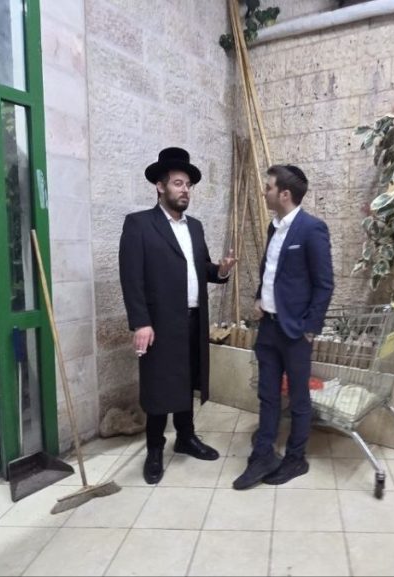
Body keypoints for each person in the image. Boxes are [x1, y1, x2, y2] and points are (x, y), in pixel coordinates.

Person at [119, 147, 236, 484]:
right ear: (160, 186)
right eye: (178, 183)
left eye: (188, 185)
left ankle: (185, 437)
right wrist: (141, 322)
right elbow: (131, 277)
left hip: (194, 320)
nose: (185, 190)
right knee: (158, 386)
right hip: (159, 323)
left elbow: (201, 267)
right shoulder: (139, 224)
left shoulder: (195, 227)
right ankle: (155, 449)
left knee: (187, 381)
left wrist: (220, 270)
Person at [233, 165, 334, 490]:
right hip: (269, 328)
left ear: (285, 194)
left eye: (269, 187)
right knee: (267, 394)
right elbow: (272, 271)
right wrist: (259, 298)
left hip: (295, 332)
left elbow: (324, 284)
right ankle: (263, 455)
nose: (265, 192)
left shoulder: (312, 229)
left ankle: (296, 458)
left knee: (299, 397)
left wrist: (310, 327)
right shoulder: (273, 227)